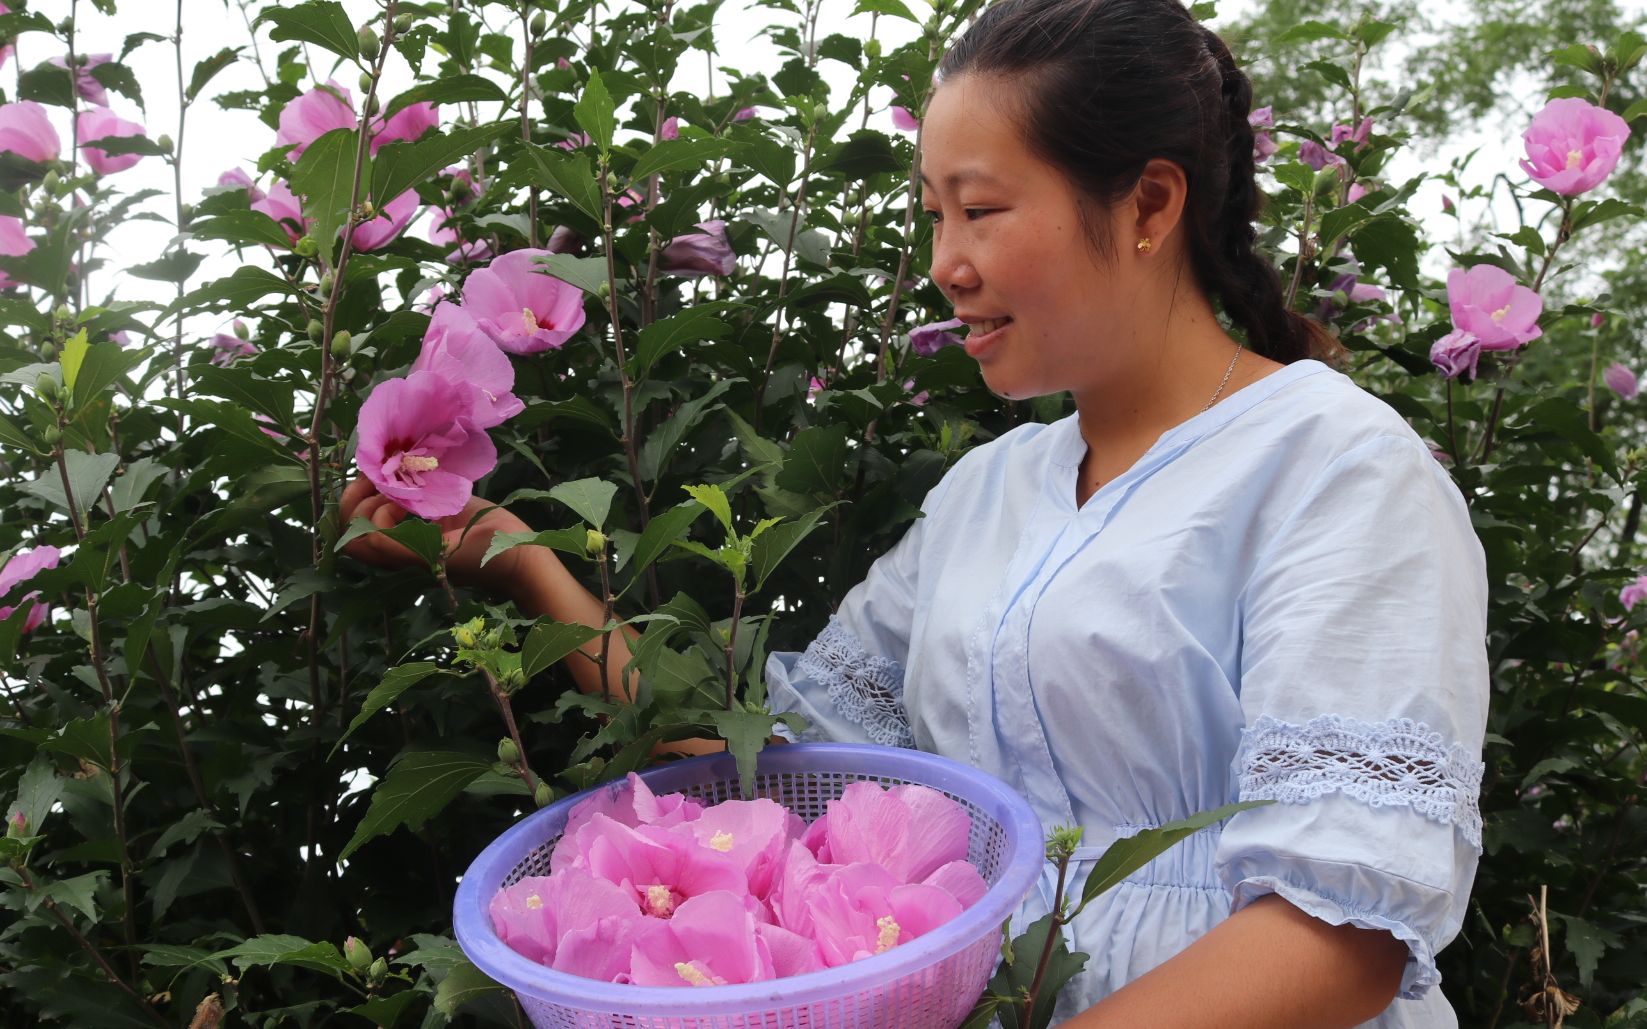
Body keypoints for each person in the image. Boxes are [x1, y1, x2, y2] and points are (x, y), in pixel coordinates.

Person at [342, 0, 1489, 1024]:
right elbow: (787, 764)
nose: (945, 262)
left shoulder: (1334, 470)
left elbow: (1341, 936)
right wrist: (522, 566)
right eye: (931, 214)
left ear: (1148, 203)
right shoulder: (989, 493)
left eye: (981, 210)